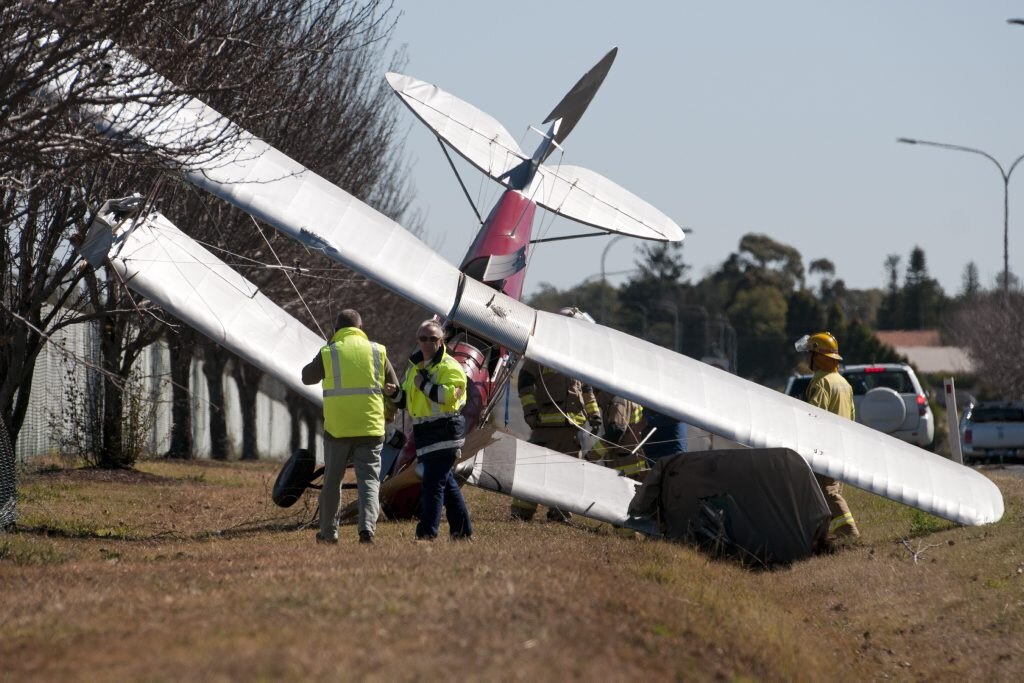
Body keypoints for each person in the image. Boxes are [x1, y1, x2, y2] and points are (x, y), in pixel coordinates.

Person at [301, 309, 398, 546]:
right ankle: (367, 531)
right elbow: (394, 388)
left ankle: (328, 533)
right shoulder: (378, 351)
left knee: (332, 482)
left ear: (336, 330)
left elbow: (307, 377)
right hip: (371, 427)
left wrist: (328, 346)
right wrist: (389, 412)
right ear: (361, 329)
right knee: (369, 482)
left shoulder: (329, 352)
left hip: (338, 430)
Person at [387, 319, 473, 541]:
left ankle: (426, 534)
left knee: (433, 484)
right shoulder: (415, 367)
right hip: (424, 434)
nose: (427, 343)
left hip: (445, 432)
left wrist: (422, 385)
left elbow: (448, 397)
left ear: (441, 340)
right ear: (417, 340)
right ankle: (462, 532)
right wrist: (394, 393)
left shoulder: (451, 367)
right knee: (446, 484)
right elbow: (406, 401)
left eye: (432, 339)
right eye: (423, 338)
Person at [512, 339, 602, 521]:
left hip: (573, 429)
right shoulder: (541, 356)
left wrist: (594, 414)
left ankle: (559, 515)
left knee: (567, 474)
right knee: (535, 470)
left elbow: (586, 389)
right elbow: (525, 383)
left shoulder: (577, 359)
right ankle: (522, 513)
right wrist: (530, 411)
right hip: (545, 426)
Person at [795, 331, 860, 541]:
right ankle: (825, 537)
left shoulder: (820, 382)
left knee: (828, 492)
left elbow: (815, 415)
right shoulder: (843, 383)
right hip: (841, 446)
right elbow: (851, 416)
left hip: (824, 448)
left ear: (818, 357)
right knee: (825, 493)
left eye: (809, 354)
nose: (807, 359)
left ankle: (849, 532)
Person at [589, 389, 647, 480]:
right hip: (633, 459)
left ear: (601, 392)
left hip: (623, 464)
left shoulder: (618, 402)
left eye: (595, 395)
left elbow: (615, 432)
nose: (596, 401)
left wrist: (592, 456)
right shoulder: (627, 397)